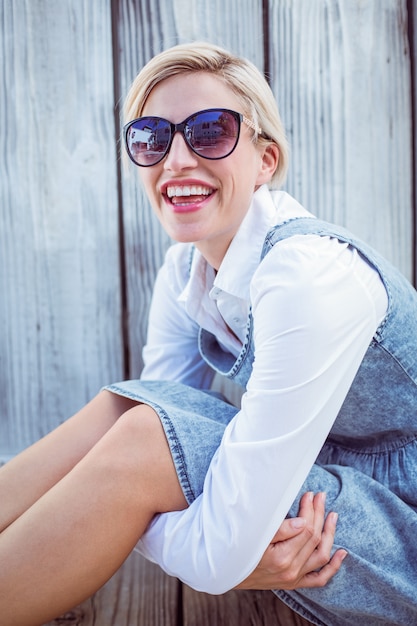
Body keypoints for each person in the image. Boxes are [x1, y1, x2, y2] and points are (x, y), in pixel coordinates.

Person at [1, 41, 416, 626]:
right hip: (316, 494)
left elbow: (206, 543)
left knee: (145, 435)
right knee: (128, 411)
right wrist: (227, 554)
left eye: (210, 131)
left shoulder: (307, 274)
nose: (176, 160)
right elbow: (147, 461)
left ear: (265, 160)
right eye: (152, 138)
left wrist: (225, 555)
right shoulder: (185, 274)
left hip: (392, 526)